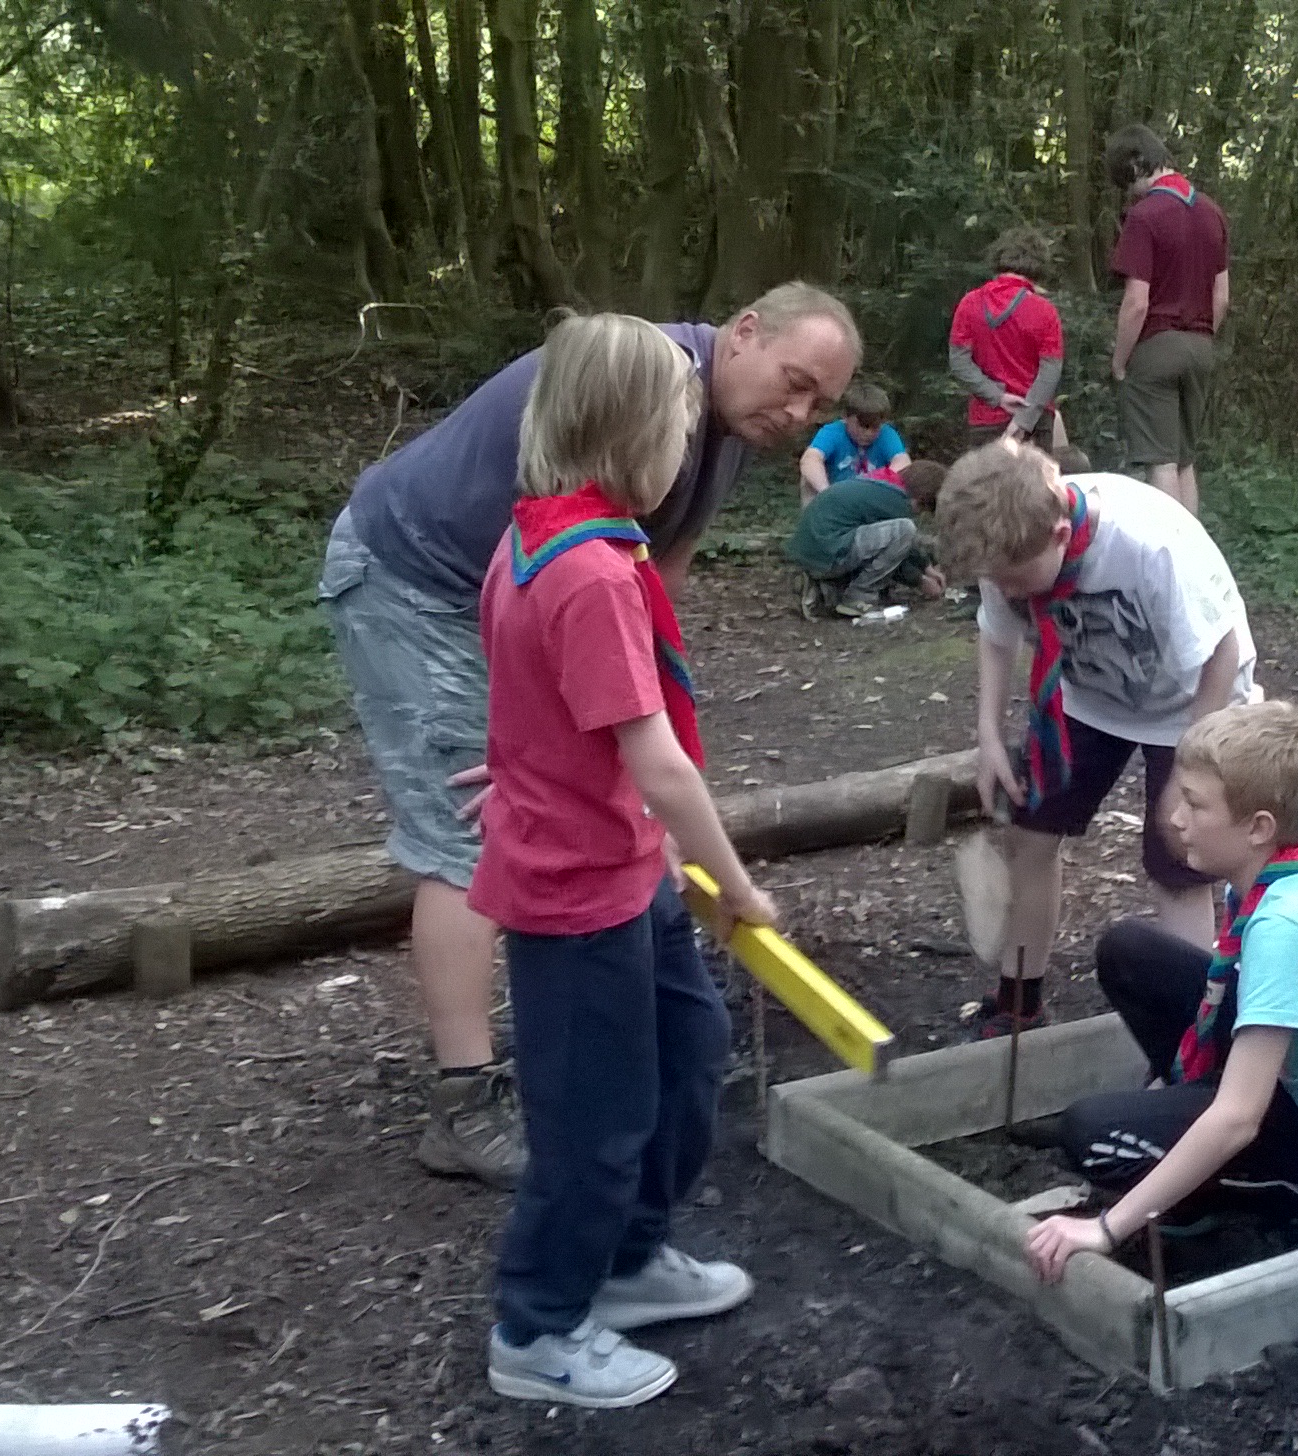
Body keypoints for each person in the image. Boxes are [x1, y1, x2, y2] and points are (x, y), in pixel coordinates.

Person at [318, 284, 859, 1189]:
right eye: (795, 383)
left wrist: (589, 724)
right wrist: (530, 740)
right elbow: (536, 557)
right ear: (745, 334)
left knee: (561, 792)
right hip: (415, 573)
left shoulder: (721, 430)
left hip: (516, 587)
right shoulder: (632, 383)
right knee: (466, 829)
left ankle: (639, 1014)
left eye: (822, 405)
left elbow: (651, 582)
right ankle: (464, 1102)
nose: (800, 416)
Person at [469, 313, 775, 1408]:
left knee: (689, 1063)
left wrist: (525, 768)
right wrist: (738, 888)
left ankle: (633, 1260)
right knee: (593, 1126)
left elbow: (542, 710)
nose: (685, 454)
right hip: (577, 897)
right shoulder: (584, 569)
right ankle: (538, 1328)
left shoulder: (561, 540)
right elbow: (662, 768)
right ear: (628, 432)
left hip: (627, 872)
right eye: (679, 431)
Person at [935, 440, 1255, 1039]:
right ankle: (1018, 1004)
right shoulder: (1003, 545)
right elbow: (997, 636)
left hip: (1191, 697)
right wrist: (988, 735)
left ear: (1060, 534)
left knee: (1179, 861)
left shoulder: (1147, 546)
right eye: (997, 581)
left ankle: (1195, 1034)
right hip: (1086, 696)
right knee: (1032, 834)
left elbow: (1222, 651)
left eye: (1017, 579)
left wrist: (1191, 769)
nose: (1008, 592)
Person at [1026, 701, 1298, 1280]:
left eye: (1196, 803)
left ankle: (1282, 1197)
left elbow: (1239, 1116)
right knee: (1129, 950)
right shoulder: (1264, 881)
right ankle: (1188, 1150)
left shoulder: (1284, 923)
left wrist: (1109, 1228)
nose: (1177, 818)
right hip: (1279, 1087)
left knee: (1092, 1134)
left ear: (1258, 827)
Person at [1103, 124, 1229, 515]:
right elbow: (1221, 296)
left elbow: (1137, 302)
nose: (1127, 191)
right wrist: (1200, 337)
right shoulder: (1212, 212)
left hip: (1156, 347)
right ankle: (1194, 557)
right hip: (1202, 345)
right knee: (1184, 459)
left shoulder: (1145, 216)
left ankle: (1170, 561)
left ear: (1137, 165)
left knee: (1161, 461)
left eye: (1126, 181)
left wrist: (1120, 361)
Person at [950, 226, 1068, 449]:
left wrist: (997, 396)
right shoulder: (1044, 310)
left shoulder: (969, 303)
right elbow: (1050, 372)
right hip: (1034, 422)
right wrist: (1024, 420)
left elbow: (959, 363)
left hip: (985, 419)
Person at [785, 459, 947, 618]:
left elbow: (898, 548)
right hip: (829, 550)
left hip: (815, 548)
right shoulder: (896, 501)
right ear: (920, 500)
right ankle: (858, 596)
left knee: (901, 533)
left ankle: (824, 585)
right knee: (906, 529)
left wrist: (927, 568)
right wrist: (920, 581)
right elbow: (896, 555)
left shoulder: (882, 486)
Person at [798, 383, 910, 501]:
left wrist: (879, 480)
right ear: (846, 417)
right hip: (834, 497)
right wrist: (827, 492)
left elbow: (902, 462)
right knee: (808, 477)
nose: (869, 433)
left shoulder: (887, 434)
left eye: (875, 427)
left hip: (872, 498)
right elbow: (810, 459)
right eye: (863, 426)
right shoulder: (833, 432)